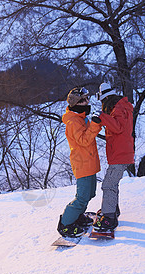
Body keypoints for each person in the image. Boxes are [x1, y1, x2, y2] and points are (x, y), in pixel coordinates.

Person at [57, 87, 102, 238]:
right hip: (82, 163)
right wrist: (95, 125)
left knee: (90, 193)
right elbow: (83, 140)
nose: (87, 101)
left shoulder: (81, 118)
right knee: (82, 196)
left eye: (87, 98)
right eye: (83, 100)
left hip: (89, 161)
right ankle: (66, 224)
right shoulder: (73, 121)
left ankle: (78, 216)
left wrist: (94, 122)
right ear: (76, 103)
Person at [91, 83, 134, 232]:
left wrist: (102, 116)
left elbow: (118, 127)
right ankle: (112, 211)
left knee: (108, 185)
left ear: (106, 99)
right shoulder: (121, 107)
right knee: (112, 184)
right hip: (121, 153)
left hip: (120, 155)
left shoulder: (118, 109)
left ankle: (109, 218)